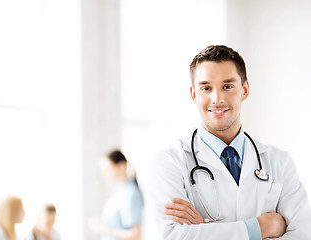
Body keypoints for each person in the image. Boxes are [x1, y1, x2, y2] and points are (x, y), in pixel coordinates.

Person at [149, 45, 311, 239]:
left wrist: (205, 230)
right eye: (206, 88)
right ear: (194, 94)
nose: (217, 99)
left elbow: (302, 234)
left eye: (227, 86)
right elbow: (173, 235)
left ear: (245, 90)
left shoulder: (280, 162)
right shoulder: (169, 162)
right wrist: (259, 227)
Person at [90, 150, 144, 240]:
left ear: (122, 166)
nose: (104, 173)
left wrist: (104, 229)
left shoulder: (130, 194)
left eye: (107, 168)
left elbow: (136, 234)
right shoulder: (118, 191)